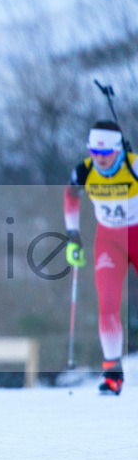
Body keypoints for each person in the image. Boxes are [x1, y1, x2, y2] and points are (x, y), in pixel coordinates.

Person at [63, 120, 138, 395]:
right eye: (94, 152)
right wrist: (73, 234)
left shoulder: (134, 166)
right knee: (107, 305)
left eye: (105, 153)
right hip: (109, 241)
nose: (100, 158)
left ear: (118, 150)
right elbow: (71, 196)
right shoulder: (84, 170)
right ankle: (112, 375)